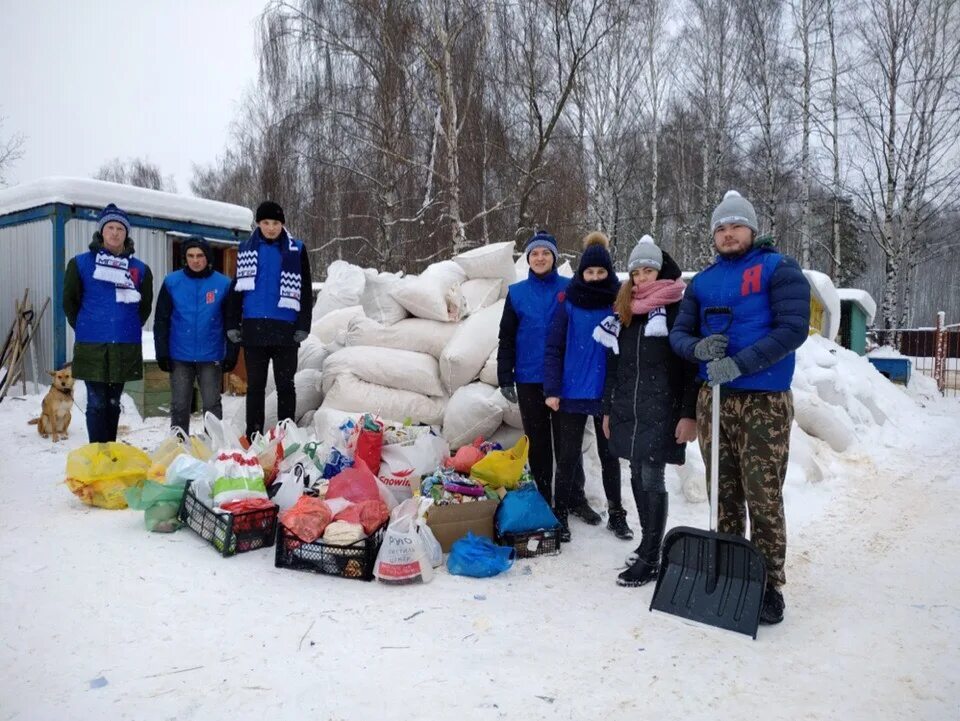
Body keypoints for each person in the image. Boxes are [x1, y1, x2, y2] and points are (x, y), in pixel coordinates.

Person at [670, 190, 810, 625]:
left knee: (762, 494)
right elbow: (678, 334)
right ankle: (732, 574)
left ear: (752, 229)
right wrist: (698, 348)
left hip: (763, 400)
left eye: (735, 226)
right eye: (721, 228)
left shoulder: (779, 269)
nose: (728, 234)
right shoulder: (703, 281)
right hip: (715, 399)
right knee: (723, 493)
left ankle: (769, 584)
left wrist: (740, 364)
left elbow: (793, 329)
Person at [597, 235, 698, 587]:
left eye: (648, 271)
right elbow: (614, 365)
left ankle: (653, 556)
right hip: (629, 407)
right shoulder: (625, 310)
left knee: (652, 476)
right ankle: (648, 543)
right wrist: (608, 409)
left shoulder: (677, 309)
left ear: (660, 270)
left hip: (662, 409)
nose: (641, 278)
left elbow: (689, 368)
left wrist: (689, 413)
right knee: (636, 475)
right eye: (636, 272)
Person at [497, 230, 599, 523]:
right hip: (529, 378)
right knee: (539, 443)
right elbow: (506, 338)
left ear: (554, 257)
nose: (540, 258)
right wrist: (505, 376)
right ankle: (544, 497)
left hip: (566, 379)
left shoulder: (570, 288)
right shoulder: (516, 293)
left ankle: (575, 498)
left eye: (545, 253)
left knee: (569, 444)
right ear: (527, 258)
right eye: (534, 253)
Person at [543, 231, 625, 543]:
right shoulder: (567, 302)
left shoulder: (618, 302)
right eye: (589, 272)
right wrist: (552, 389)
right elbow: (553, 348)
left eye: (600, 272)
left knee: (610, 456)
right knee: (567, 457)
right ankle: (560, 513)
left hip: (606, 393)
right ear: (581, 272)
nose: (593, 277)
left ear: (609, 272)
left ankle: (617, 514)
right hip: (572, 392)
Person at [63, 203, 153, 443]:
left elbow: (143, 307)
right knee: (97, 403)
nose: (115, 233)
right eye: (110, 227)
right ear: (101, 231)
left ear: (126, 233)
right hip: (92, 344)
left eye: (120, 229)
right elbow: (69, 303)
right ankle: (97, 453)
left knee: (114, 404)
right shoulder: (80, 264)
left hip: (124, 344)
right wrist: (86, 325)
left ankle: (110, 450)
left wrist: (126, 326)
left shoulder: (139, 269)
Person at [226, 201, 313, 439]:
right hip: (254, 330)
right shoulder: (246, 249)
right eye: (266, 223)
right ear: (258, 224)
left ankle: (285, 436)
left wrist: (304, 325)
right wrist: (233, 323)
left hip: (286, 330)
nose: (271, 228)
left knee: (286, 386)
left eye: (275, 223)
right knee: (255, 388)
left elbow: (305, 289)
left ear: (282, 224)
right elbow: (236, 289)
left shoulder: (296, 248)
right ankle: (254, 435)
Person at [153, 237, 238, 435]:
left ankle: (213, 444)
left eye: (200, 255)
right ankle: (178, 444)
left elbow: (232, 322)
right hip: (179, 354)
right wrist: (162, 351)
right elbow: (161, 320)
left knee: (212, 405)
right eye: (190, 256)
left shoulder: (223, 284)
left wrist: (232, 351)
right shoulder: (172, 282)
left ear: (207, 257)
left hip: (211, 355)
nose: (195, 260)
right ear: (185, 258)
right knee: (180, 405)